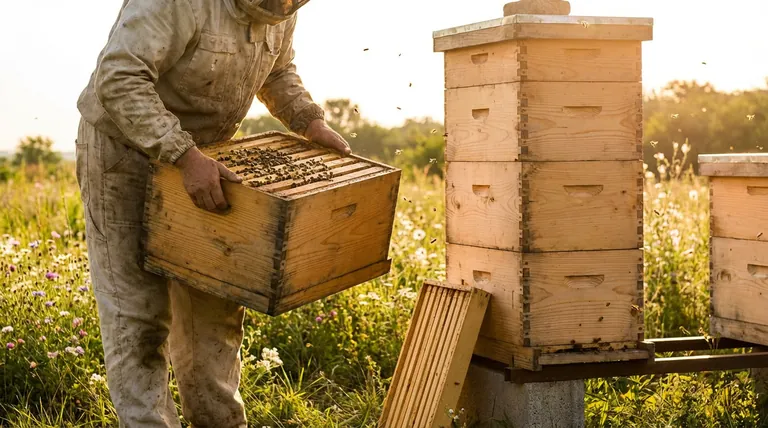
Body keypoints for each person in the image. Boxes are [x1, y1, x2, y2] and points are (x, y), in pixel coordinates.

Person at [74, 0, 350, 426]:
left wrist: (308, 121)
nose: (287, 4)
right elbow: (120, 78)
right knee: (139, 316)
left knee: (214, 309)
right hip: (123, 156)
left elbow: (276, 71)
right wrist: (183, 154)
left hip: (209, 163)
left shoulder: (283, 8)